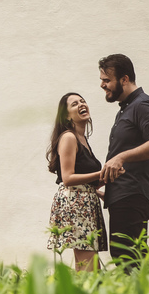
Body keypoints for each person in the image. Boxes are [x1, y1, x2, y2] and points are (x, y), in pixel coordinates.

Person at [98, 54, 149, 268]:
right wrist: (109, 190)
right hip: (124, 195)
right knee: (129, 257)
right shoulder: (126, 108)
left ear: (124, 79)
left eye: (106, 80)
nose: (102, 85)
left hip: (134, 194)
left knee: (127, 258)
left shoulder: (143, 105)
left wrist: (120, 157)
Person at [46, 92, 107, 271]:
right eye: (74, 104)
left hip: (85, 201)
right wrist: (100, 173)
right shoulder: (69, 137)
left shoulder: (83, 139)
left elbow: (85, 180)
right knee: (88, 265)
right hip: (76, 203)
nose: (81, 104)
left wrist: (102, 183)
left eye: (83, 101)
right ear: (66, 115)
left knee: (90, 264)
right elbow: (68, 178)